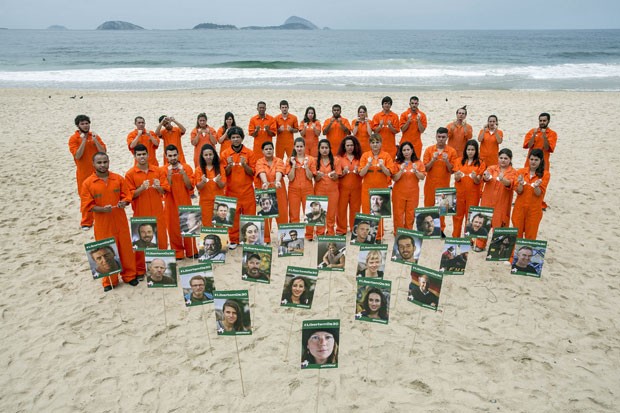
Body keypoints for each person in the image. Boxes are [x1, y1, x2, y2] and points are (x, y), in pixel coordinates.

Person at [81, 152, 138, 291]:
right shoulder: (88, 183)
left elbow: (127, 195)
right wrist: (100, 209)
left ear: (109, 162)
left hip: (120, 220)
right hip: (103, 223)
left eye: (105, 162)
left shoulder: (117, 178)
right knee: (104, 251)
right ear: (93, 164)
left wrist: (124, 202)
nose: (102, 165)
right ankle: (109, 281)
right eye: (99, 163)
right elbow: (87, 205)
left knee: (125, 248)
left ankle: (129, 275)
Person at [125, 144, 169, 277]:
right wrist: (141, 189)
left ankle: (164, 265)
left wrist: (158, 187)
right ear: (135, 156)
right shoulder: (130, 174)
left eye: (144, 154)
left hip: (157, 211)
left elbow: (165, 190)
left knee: (161, 239)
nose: (142, 157)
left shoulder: (158, 171)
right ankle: (140, 269)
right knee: (141, 243)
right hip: (141, 211)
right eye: (139, 155)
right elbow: (130, 195)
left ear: (148, 155)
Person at [68, 114, 107, 230]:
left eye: (87, 123)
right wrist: (84, 140)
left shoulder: (94, 136)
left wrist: (95, 140)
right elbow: (78, 155)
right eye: (82, 124)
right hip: (83, 173)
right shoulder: (74, 138)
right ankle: (86, 221)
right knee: (85, 197)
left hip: (98, 172)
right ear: (77, 125)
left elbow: (103, 151)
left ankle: (100, 218)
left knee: (101, 194)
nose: (85, 126)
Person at [221, 126, 256, 249]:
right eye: (233, 137)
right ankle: (234, 240)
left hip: (247, 190)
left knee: (249, 216)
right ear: (230, 139)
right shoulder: (225, 154)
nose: (236, 139)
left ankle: (248, 239)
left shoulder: (249, 153)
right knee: (233, 217)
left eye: (238, 137)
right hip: (231, 191)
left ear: (242, 138)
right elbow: (224, 173)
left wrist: (245, 165)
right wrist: (229, 165)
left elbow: (252, 172)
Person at [162, 144, 197, 260]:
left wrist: (183, 174)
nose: (173, 158)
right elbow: (167, 188)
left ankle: (191, 250)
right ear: (166, 157)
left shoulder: (186, 167)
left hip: (185, 200)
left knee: (189, 225)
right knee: (173, 229)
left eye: (174, 155)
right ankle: (178, 252)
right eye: (170, 156)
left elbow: (190, 186)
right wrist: (169, 175)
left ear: (179, 155)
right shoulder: (163, 170)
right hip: (170, 202)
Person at [359, 134, 396, 241]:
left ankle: (379, 235)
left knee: (379, 213)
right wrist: (368, 164)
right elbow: (361, 174)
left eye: (377, 142)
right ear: (369, 144)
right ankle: (368, 235)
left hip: (381, 190)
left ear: (381, 143)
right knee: (367, 212)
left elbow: (389, 173)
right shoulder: (365, 156)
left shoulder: (386, 156)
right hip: (367, 189)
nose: (375, 145)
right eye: (373, 142)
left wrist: (382, 166)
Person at [423, 127, 457, 235]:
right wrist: (433, 159)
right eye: (439, 137)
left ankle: (441, 229)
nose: (441, 139)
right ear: (436, 137)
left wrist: (446, 161)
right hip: (430, 184)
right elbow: (425, 168)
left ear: (447, 137)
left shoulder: (451, 151)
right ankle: (427, 229)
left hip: (444, 184)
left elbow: (452, 170)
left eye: (443, 137)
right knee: (428, 206)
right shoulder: (429, 150)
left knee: (442, 208)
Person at [511, 149, 550, 239]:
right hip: (519, 208)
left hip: (534, 210)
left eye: (536, 160)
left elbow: (539, 193)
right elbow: (519, 191)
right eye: (531, 159)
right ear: (528, 159)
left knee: (531, 235)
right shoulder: (521, 172)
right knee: (517, 234)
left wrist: (536, 186)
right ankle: (514, 253)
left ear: (541, 161)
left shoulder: (545, 174)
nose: (533, 162)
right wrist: (520, 183)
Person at [255, 141, 288, 243]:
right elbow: (261, 171)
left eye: (270, 149)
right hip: (265, 191)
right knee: (265, 216)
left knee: (282, 215)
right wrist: (265, 182)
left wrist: (277, 181)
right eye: (266, 149)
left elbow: (279, 170)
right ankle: (266, 239)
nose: (269, 151)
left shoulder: (279, 160)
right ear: (262, 151)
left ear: (273, 150)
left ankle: (284, 238)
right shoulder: (260, 161)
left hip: (279, 191)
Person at [452, 139, 485, 237]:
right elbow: (456, 178)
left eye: (472, 150)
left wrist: (475, 177)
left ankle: (468, 238)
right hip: (459, 192)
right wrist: (457, 175)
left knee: (470, 216)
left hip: (473, 193)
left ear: (476, 151)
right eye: (468, 149)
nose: (470, 152)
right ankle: (456, 236)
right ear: (465, 150)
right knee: (457, 216)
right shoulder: (458, 161)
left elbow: (478, 181)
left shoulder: (480, 163)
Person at [286, 137, 317, 240]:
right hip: (293, 189)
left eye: (301, 146)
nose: (299, 149)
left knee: (309, 213)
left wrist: (306, 166)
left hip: (307, 189)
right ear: (294, 147)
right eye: (297, 146)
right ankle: (297, 235)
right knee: (294, 214)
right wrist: (294, 165)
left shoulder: (311, 159)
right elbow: (290, 178)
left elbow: (310, 176)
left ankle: (309, 235)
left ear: (304, 147)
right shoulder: (289, 160)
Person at [392, 141, 425, 233]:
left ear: (412, 150)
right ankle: (398, 233)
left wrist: (416, 171)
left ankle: (408, 232)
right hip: (399, 193)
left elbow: (422, 177)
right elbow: (394, 178)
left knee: (410, 214)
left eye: (408, 150)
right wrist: (401, 170)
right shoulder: (397, 163)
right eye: (404, 150)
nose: (406, 152)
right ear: (401, 152)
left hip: (413, 193)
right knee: (398, 214)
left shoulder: (418, 162)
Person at [481, 148, 517, 228]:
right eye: (501, 158)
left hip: (501, 206)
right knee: (482, 231)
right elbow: (486, 177)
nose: (503, 160)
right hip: (487, 203)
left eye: (506, 158)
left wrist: (502, 179)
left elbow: (510, 183)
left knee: (499, 234)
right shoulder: (491, 168)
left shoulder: (513, 172)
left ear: (510, 159)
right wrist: (486, 176)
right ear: (498, 158)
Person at [336, 136, 363, 235]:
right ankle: (341, 229)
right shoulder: (339, 158)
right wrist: (343, 172)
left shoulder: (360, 158)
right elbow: (337, 174)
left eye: (352, 145)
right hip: (342, 187)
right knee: (341, 209)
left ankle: (353, 229)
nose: (350, 147)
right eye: (348, 145)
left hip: (357, 187)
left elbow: (363, 173)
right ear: (344, 146)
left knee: (355, 209)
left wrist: (358, 171)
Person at [314, 139, 342, 235]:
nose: (324, 150)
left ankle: (330, 232)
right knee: (319, 213)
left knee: (331, 213)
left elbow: (337, 177)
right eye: (322, 148)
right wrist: (318, 175)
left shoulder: (336, 160)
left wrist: (334, 175)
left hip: (333, 190)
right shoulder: (315, 161)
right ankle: (320, 232)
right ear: (319, 149)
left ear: (330, 149)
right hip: (319, 190)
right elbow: (315, 179)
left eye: (326, 148)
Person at [194, 144, 226, 227]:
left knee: (220, 225)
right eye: (206, 155)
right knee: (207, 225)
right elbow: (198, 187)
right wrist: (203, 181)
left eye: (210, 154)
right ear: (202, 156)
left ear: (214, 155)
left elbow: (222, 186)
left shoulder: (220, 168)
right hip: (205, 202)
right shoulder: (198, 169)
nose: (208, 157)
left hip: (219, 200)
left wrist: (218, 181)